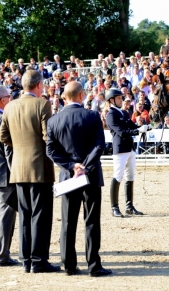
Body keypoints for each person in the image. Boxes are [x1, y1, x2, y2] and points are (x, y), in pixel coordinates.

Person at [46, 81, 112, 277]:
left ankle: (69, 265)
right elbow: (99, 146)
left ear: (65, 97)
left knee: (68, 221)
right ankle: (94, 265)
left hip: (69, 177)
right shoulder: (92, 116)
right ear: (82, 95)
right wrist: (85, 166)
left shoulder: (54, 120)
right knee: (91, 220)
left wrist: (71, 166)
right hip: (90, 175)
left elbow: (51, 150)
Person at [0, 70, 59, 274]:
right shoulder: (42, 104)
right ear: (38, 85)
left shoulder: (10, 106)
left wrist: (20, 147)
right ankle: (39, 260)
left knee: (24, 214)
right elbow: (47, 136)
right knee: (40, 215)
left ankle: (25, 259)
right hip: (39, 168)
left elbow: (3, 136)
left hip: (17, 168)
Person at [105, 88, 148, 217]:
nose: (121, 100)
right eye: (118, 98)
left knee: (130, 177)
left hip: (130, 148)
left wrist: (145, 127)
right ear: (111, 100)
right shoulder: (111, 115)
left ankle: (129, 206)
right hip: (120, 149)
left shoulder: (123, 113)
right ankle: (114, 207)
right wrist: (137, 131)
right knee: (117, 176)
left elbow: (133, 126)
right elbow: (121, 132)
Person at [0, 86, 17, 267]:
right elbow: (8, 148)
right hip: (4, 173)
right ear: (2, 100)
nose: (10, 98)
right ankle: (2, 254)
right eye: (8, 96)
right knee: (6, 213)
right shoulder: (3, 118)